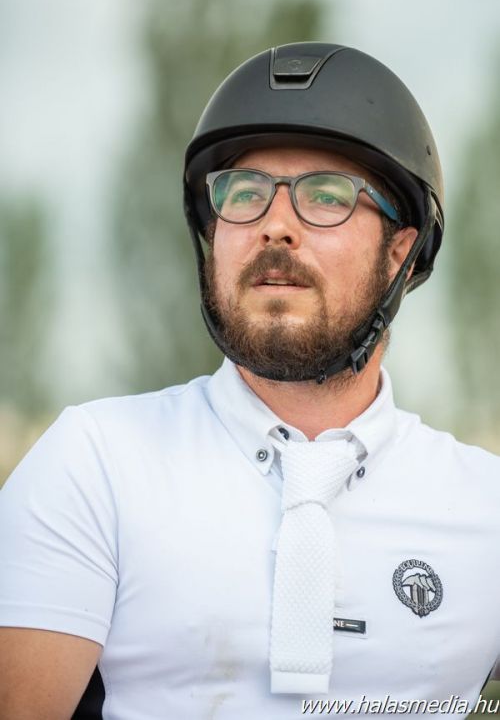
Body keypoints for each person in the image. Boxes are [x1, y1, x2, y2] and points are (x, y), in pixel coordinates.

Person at [1, 41, 499, 720]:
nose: (275, 226)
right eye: (244, 194)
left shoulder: (485, 507)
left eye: (326, 194)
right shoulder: (92, 464)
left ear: (401, 254)